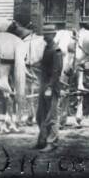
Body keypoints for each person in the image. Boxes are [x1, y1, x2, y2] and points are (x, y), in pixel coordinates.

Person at [36, 24, 64, 153]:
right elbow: (45, 67)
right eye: (44, 34)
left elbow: (56, 71)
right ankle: (42, 140)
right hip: (43, 86)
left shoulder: (56, 50)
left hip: (51, 88)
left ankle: (52, 143)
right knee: (40, 115)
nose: (44, 36)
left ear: (53, 35)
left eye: (47, 34)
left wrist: (50, 87)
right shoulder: (47, 49)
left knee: (51, 117)